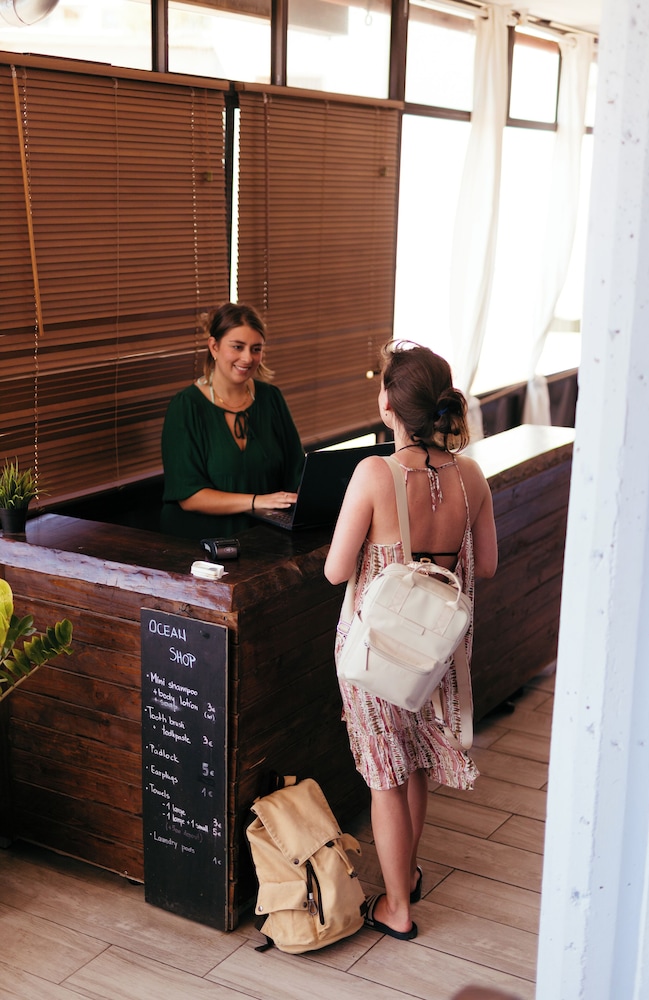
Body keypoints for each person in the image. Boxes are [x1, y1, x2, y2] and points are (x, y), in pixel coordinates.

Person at [324, 340, 498, 941]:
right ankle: (409, 874)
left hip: (377, 652)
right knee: (417, 761)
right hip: (438, 653)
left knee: (385, 775)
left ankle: (397, 906)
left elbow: (336, 570)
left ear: (389, 405)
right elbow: (488, 564)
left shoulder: (375, 473)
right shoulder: (470, 476)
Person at [160, 302, 304, 539]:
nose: (247, 358)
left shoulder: (271, 398)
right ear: (214, 346)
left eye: (256, 349)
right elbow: (189, 496)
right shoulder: (186, 406)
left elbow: (296, 473)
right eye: (237, 347)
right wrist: (256, 501)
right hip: (199, 543)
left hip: (265, 539)